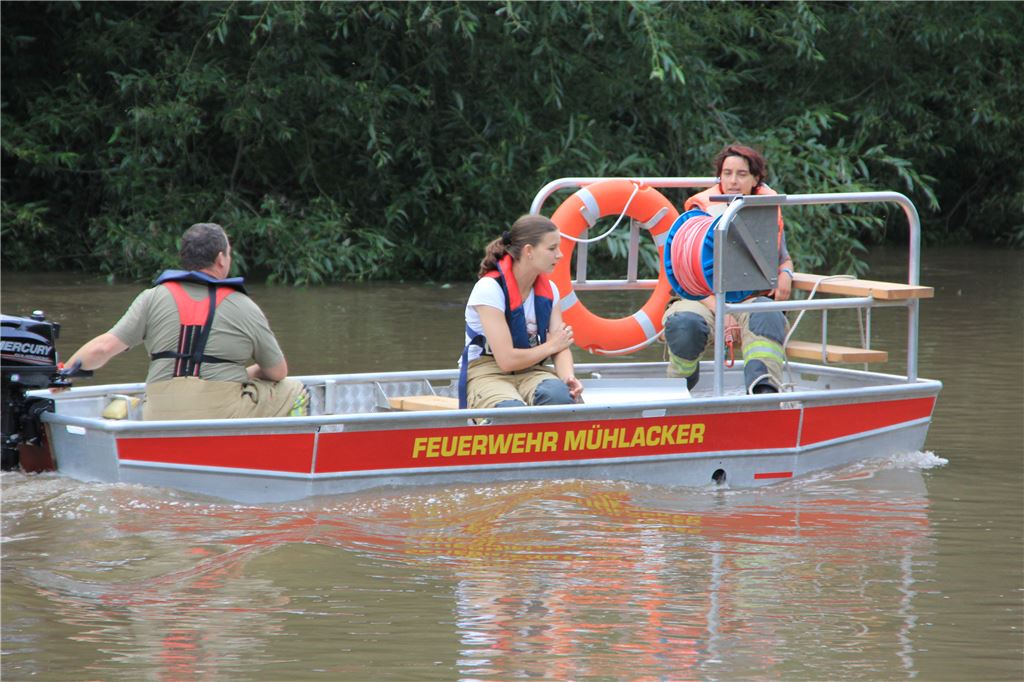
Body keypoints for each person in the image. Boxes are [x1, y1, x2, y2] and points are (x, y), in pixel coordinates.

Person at [61, 223, 309, 420]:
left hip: (158, 414)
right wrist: (248, 372)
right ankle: (295, 451)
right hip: (220, 413)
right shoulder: (244, 305)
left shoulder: (152, 297)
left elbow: (103, 349)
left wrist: (62, 377)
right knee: (295, 389)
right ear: (221, 258)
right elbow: (278, 372)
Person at [664, 143, 795, 394]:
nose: (733, 181)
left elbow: (783, 257)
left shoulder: (765, 210)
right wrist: (722, 310)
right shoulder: (700, 210)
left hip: (749, 300)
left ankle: (763, 393)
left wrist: (785, 274)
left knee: (768, 315)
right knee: (684, 324)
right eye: (727, 173)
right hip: (701, 299)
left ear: (756, 179)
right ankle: (678, 388)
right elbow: (684, 272)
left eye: (742, 174)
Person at [460, 214, 584, 409]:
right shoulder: (489, 289)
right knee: (510, 410)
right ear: (529, 251)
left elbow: (560, 346)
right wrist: (550, 346)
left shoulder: (550, 290)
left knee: (559, 398)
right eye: (552, 248)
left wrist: (568, 377)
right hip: (488, 370)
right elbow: (507, 360)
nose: (560, 255)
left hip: (532, 369)